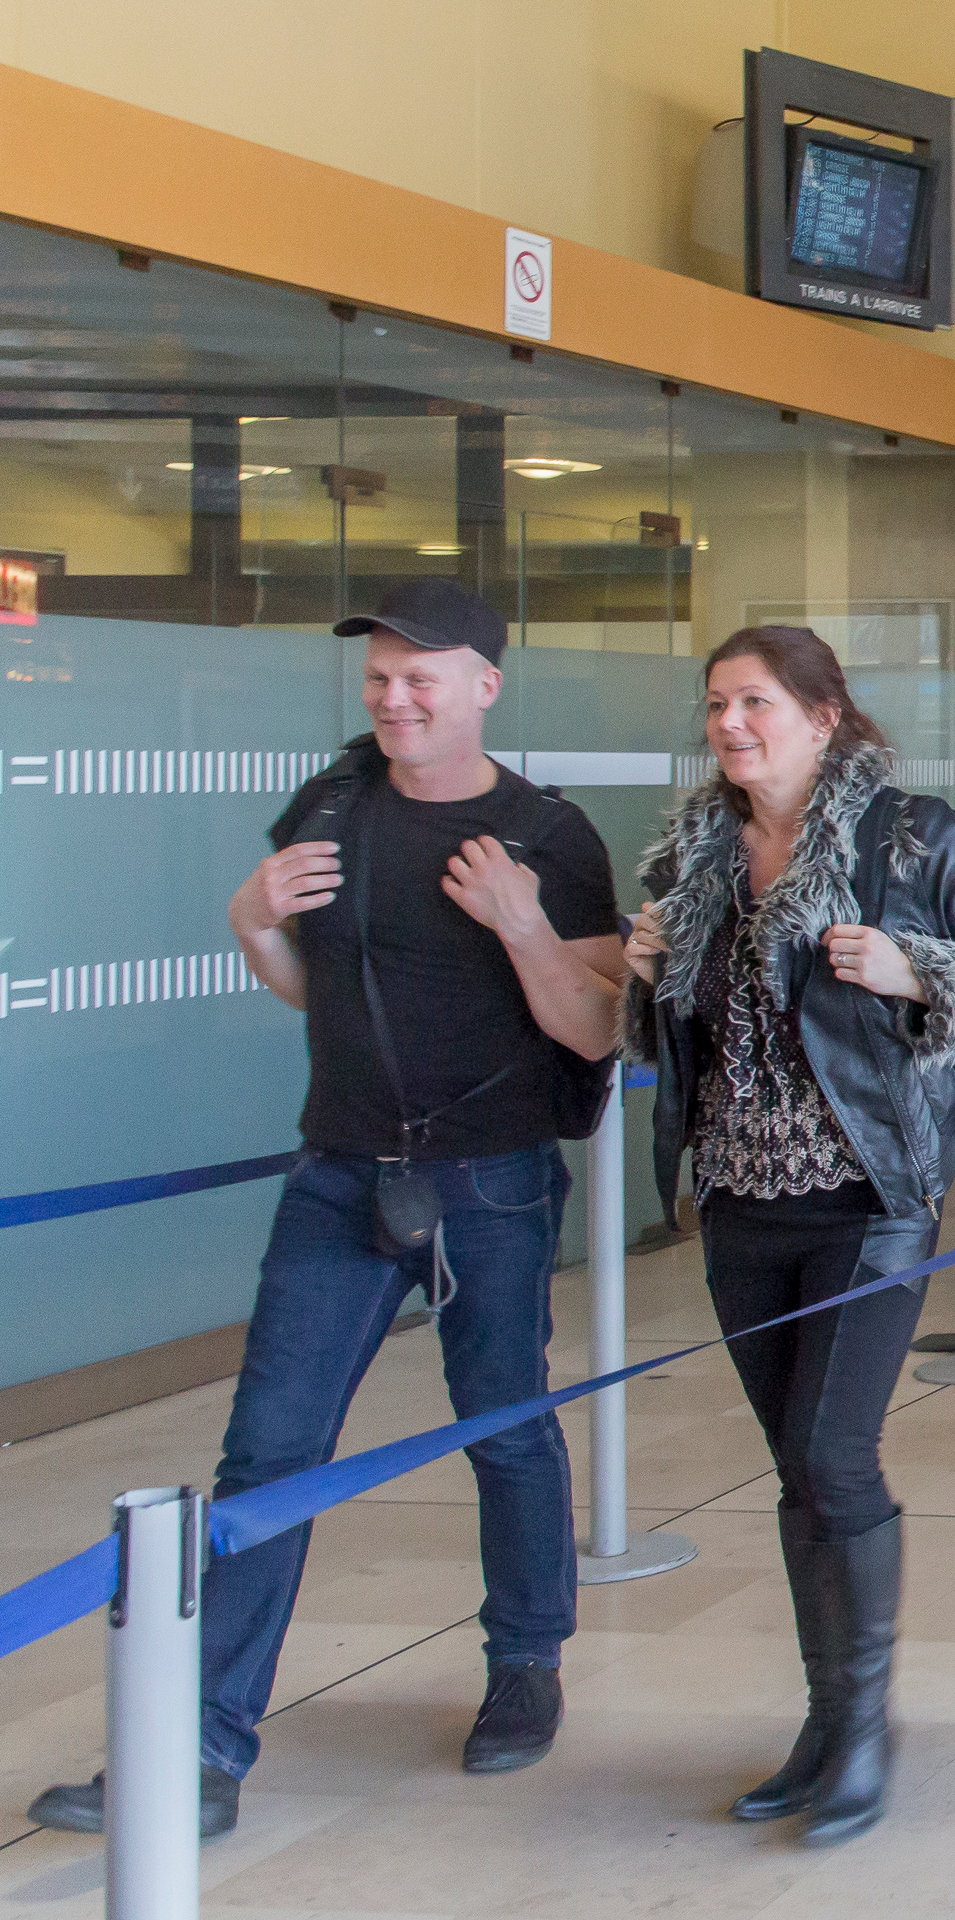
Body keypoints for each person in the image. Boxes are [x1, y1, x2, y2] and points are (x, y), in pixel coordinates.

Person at [31, 582, 628, 1842]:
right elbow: (318, 993)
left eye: (421, 678)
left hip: (492, 1179)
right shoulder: (334, 801)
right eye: (379, 679)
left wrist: (524, 923)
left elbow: (593, 1029)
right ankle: (199, 1750)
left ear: (484, 687)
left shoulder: (549, 836)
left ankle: (526, 1661)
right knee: (269, 1454)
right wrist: (250, 923)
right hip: (340, 1173)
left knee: (504, 1426)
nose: (395, 700)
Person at [621, 626, 955, 1844]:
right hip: (739, 1200)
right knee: (795, 1466)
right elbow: (684, 1036)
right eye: (717, 704)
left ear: (823, 717)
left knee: (834, 1453)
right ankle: (824, 1723)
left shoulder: (914, 839)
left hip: (869, 1197)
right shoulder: (694, 856)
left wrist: (915, 970)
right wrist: (648, 971)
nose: (730, 725)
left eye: (755, 702)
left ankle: (864, 1729)